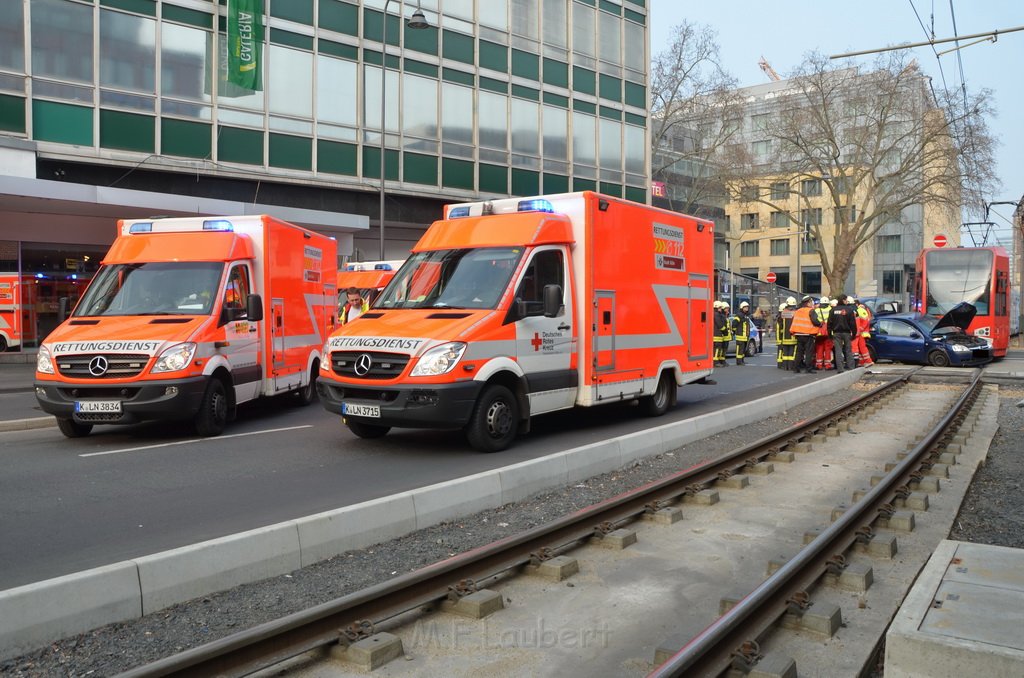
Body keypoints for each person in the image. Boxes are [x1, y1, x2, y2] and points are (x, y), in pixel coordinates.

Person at [828, 293, 858, 372]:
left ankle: (840, 369)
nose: (847, 301)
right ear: (843, 300)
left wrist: (829, 334)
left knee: (838, 351)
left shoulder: (833, 310)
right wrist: (854, 333)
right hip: (846, 332)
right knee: (848, 350)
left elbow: (829, 323)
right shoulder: (849, 310)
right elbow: (852, 323)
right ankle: (851, 367)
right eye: (846, 300)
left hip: (836, 333)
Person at [790, 295, 819, 373]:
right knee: (809, 352)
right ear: (808, 303)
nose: (812, 303)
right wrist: (820, 324)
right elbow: (815, 321)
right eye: (811, 302)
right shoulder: (811, 311)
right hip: (808, 334)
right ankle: (808, 368)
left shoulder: (798, 311)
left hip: (798, 334)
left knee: (799, 352)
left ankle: (796, 368)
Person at [776, 296, 798, 370]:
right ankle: (791, 366)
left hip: (785, 337)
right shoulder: (795, 313)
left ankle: (785, 366)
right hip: (793, 336)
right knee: (791, 353)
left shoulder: (783, 313)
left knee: (785, 353)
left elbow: (781, 325)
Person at [813, 296, 833, 370]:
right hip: (828, 332)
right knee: (828, 349)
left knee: (819, 348)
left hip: (819, 332)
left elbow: (814, 320)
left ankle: (819, 365)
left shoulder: (816, 310)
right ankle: (828, 365)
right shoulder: (831, 310)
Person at [853, 298, 874, 366]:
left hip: (862, 332)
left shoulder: (860, 310)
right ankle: (862, 361)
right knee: (859, 347)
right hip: (861, 332)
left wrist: (860, 328)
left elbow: (865, 321)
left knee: (862, 347)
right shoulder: (860, 310)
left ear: (856, 304)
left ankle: (868, 361)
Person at [712, 301, 729, 367]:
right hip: (717, 334)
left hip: (717, 334)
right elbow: (720, 325)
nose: (720, 309)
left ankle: (717, 361)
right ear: (716, 307)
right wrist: (725, 330)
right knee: (717, 348)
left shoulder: (716, 314)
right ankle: (716, 362)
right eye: (719, 308)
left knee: (718, 348)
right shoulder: (716, 315)